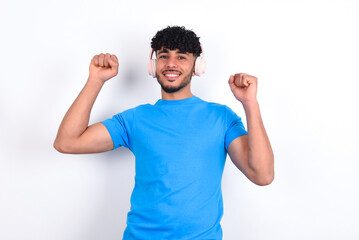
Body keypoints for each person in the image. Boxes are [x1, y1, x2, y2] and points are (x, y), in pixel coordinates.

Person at [54, 26, 274, 240]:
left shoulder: (221, 118)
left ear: (197, 65)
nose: (170, 63)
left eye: (181, 57)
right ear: (153, 64)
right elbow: (67, 142)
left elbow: (262, 175)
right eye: (164, 56)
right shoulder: (135, 119)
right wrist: (95, 80)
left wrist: (250, 104)